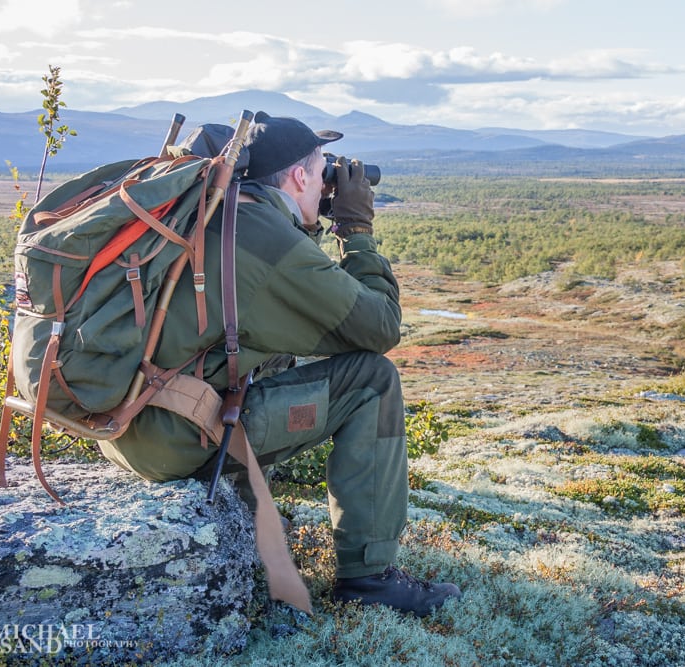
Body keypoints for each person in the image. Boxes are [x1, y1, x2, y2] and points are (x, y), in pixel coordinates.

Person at [97, 111, 461, 617]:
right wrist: (355, 229)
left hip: (127, 428)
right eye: (322, 170)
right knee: (372, 381)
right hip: (175, 437)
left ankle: (243, 504)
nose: (328, 179)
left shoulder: (218, 213)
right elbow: (378, 329)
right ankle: (371, 580)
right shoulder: (263, 237)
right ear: (298, 177)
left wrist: (305, 220)